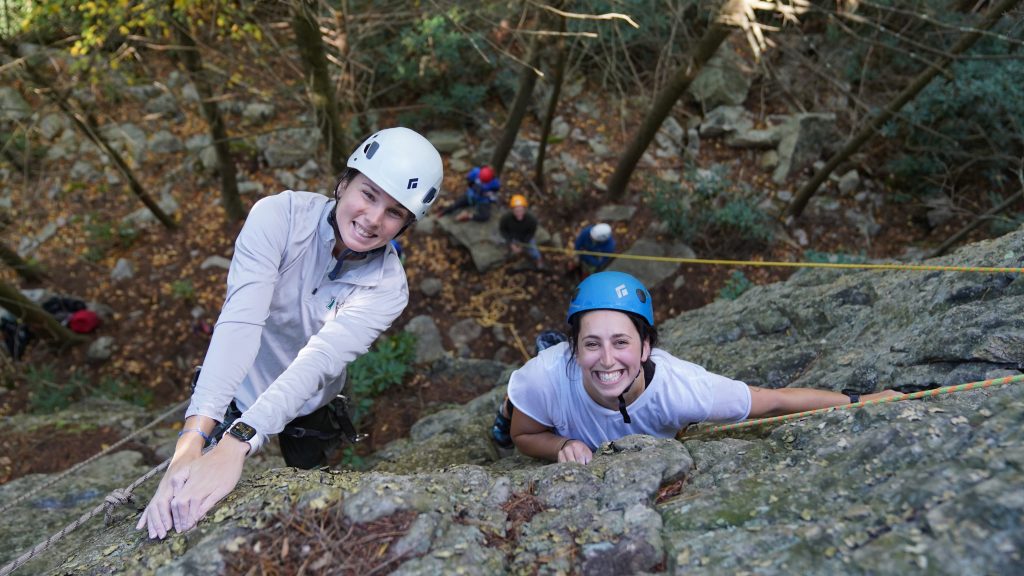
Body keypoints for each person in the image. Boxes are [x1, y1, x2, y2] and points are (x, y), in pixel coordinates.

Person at [137, 127, 444, 539]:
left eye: (394, 213)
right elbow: (240, 323)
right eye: (368, 195)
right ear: (343, 182)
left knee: (311, 480)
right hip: (238, 386)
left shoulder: (388, 288)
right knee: (188, 491)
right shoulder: (279, 217)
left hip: (309, 400)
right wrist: (191, 443)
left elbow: (319, 359)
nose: (373, 219)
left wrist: (239, 441)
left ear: (404, 226)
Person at [507, 271, 903, 464]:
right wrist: (561, 444)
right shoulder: (545, 377)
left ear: (646, 347)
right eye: (591, 343)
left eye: (622, 342)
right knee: (517, 404)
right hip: (549, 391)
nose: (608, 359)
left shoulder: (684, 389)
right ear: (574, 347)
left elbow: (774, 401)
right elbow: (523, 434)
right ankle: (518, 386)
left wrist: (864, 400)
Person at [498, 194, 543, 269]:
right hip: (512, 237)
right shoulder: (506, 218)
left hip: (525, 237)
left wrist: (523, 245)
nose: (519, 214)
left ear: (525, 210)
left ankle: (538, 259)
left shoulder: (531, 219)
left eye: (521, 210)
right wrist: (510, 243)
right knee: (503, 244)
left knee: (533, 250)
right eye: (516, 211)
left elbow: (531, 233)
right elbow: (503, 230)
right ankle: (509, 254)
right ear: (512, 210)